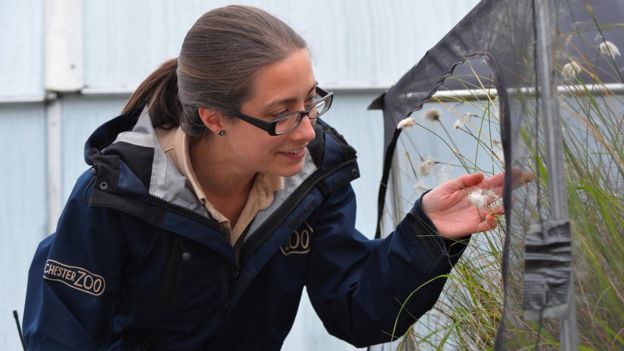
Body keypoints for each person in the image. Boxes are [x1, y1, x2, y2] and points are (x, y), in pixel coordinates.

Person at [22, 5, 507, 350]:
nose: (309, 129)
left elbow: (359, 314)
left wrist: (427, 232)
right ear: (215, 119)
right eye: (282, 114)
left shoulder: (316, 181)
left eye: (310, 100)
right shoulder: (113, 197)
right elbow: (60, 338)